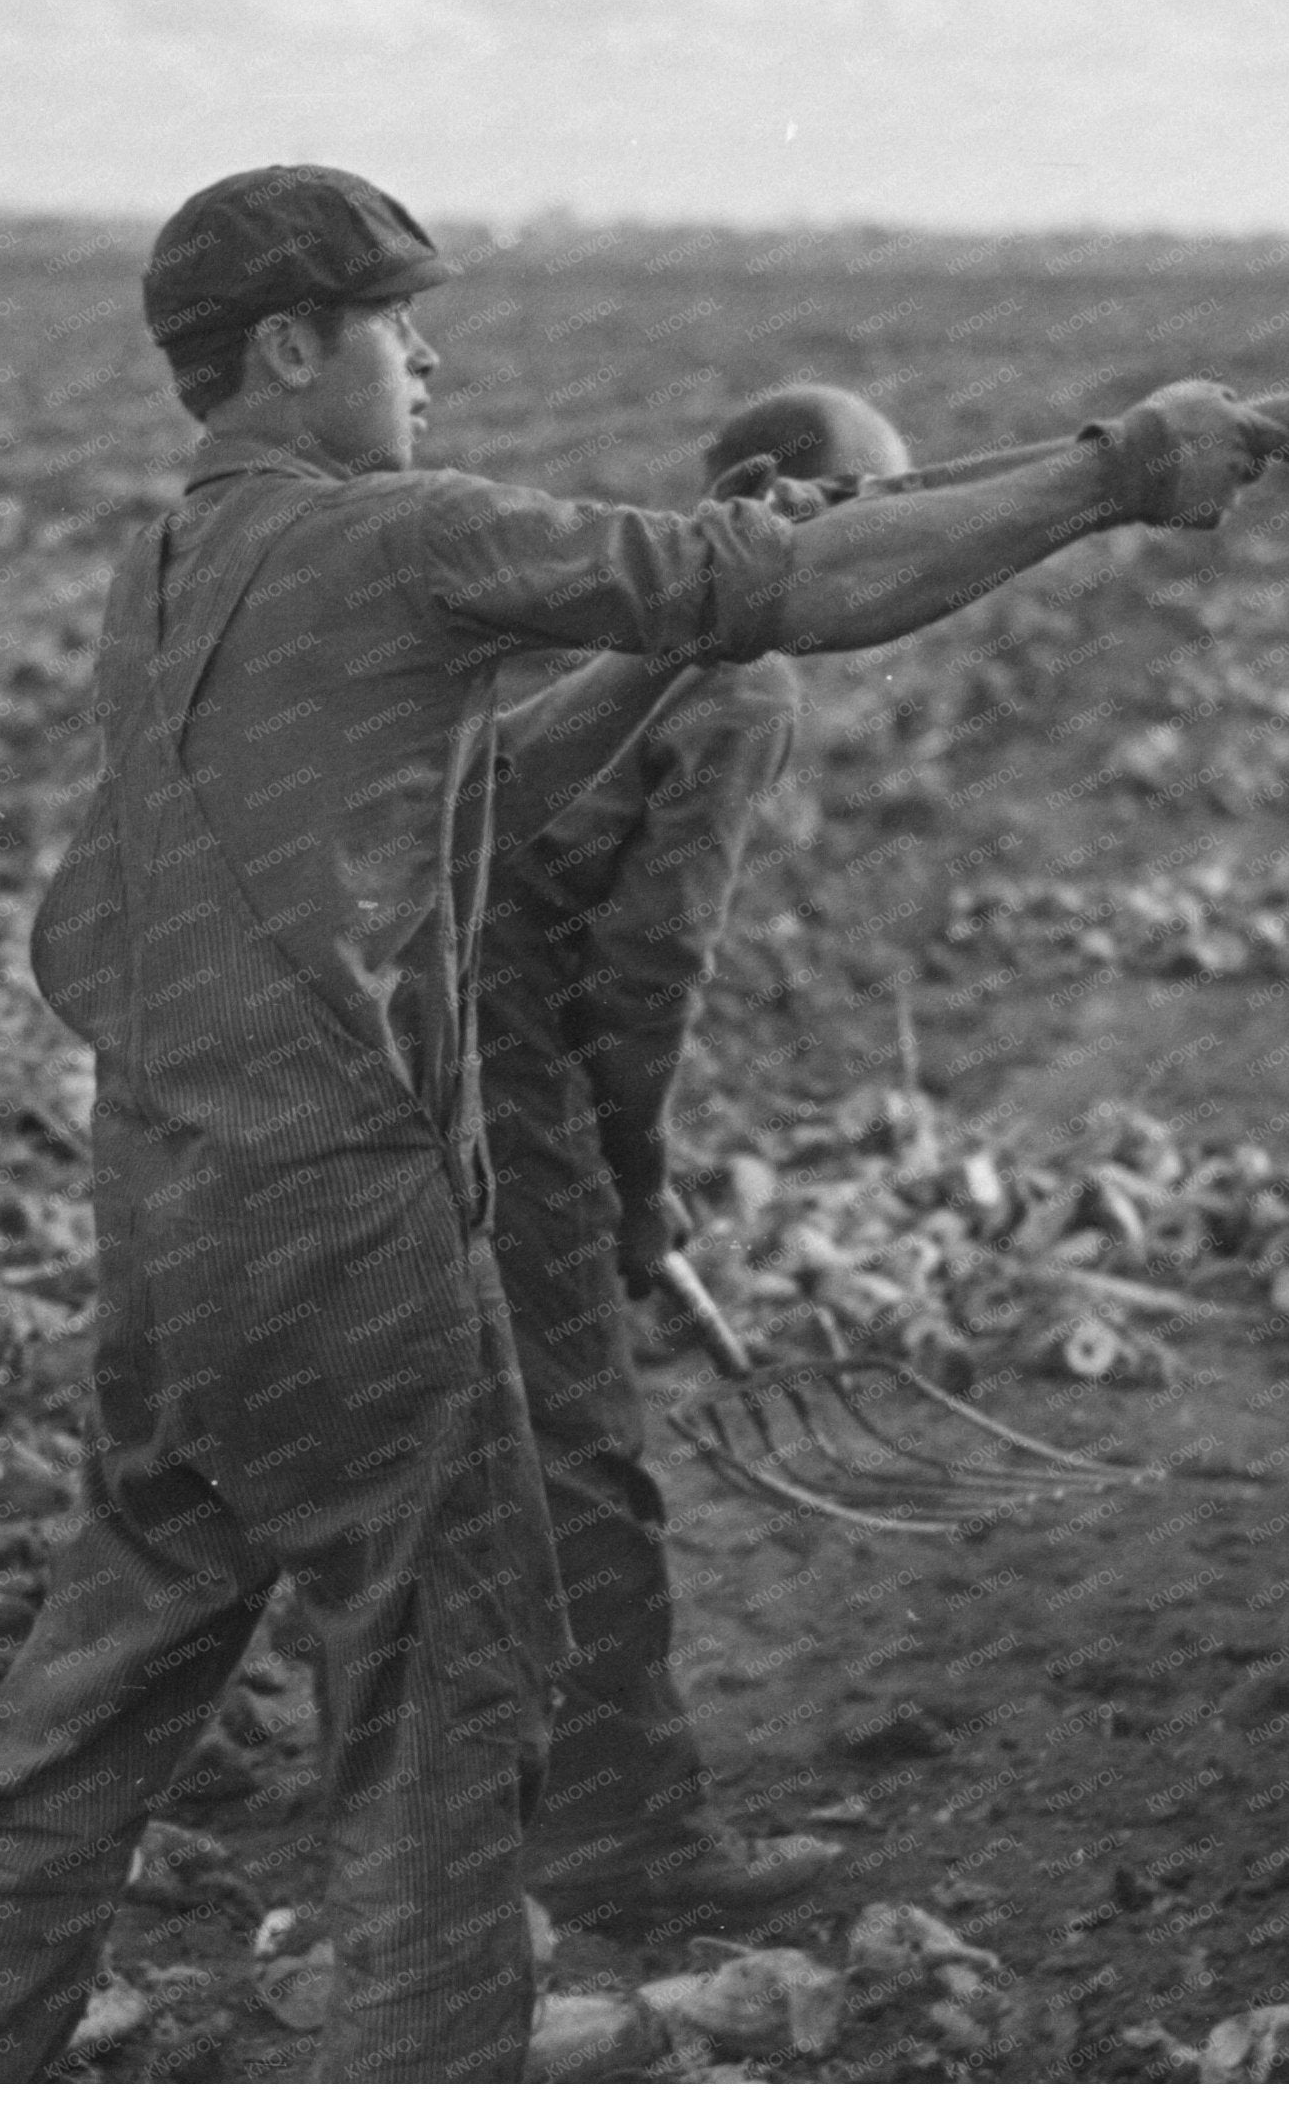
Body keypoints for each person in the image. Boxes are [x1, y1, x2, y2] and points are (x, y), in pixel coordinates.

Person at [0, 166, 1289, 2083]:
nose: (427, 359)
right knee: (443, 1729)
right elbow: (796, 588)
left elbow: (485, 800)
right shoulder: (393, 542)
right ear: (290, 351)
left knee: (75, 1733)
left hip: (173, 1240)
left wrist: (659, 649)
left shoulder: (180, 569)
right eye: (393, 326)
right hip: (347, 1252)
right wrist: (1118, 471)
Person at [479, 389, 912, 1928]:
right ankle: (628, 1838)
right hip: (493, 1026)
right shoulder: (743, 686)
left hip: (345, 993)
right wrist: (633, 1192)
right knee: (583, 1440)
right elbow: (648, 964)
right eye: (883, 505)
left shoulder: (590, 613)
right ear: (795, 505)